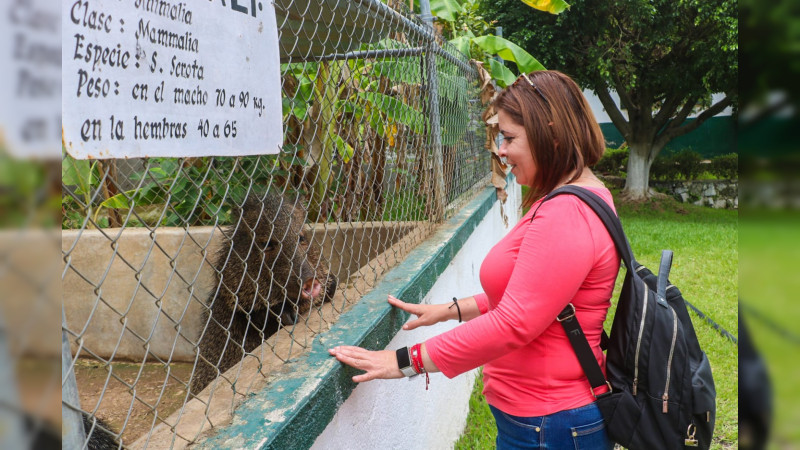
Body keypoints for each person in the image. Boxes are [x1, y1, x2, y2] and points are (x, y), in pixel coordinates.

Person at [329, 70, 619, 450]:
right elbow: (540, 295)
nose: (500, 150)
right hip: (542, 419)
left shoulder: (567, 213)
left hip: (550, 424)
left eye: (510, 138)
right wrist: (451, 310)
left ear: (551, 133)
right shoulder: (576, 196)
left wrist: (401, 361)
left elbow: (515, 321)